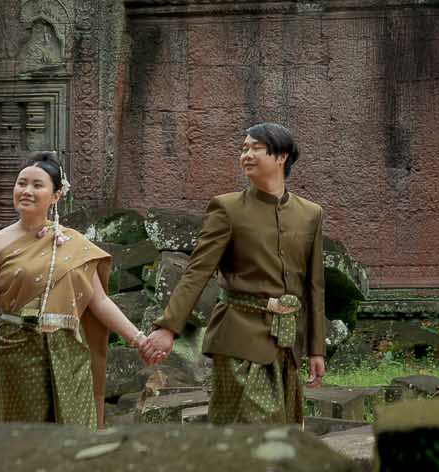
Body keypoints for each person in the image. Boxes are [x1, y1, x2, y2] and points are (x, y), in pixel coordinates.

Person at [139, 122, 326, 424]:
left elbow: (314, 286)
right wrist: (168, 328)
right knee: (250, 429)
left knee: (285, 429)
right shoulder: (227, 209)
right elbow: (197, 272)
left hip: (288, 344)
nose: (246, 155)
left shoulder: (310, 214)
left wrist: (317, 349)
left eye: (256, 148)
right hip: (239, 337)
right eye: (243, 149)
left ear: (281, 157)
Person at [0, 151, 150, 425]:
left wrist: (138, 339)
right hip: (17, 348)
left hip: (68, 352)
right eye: (21, 183)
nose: (27, 191)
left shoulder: (71, 244)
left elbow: (99, 302)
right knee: (24, 436)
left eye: (37, 185)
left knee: (76, 431)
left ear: (55, 196)